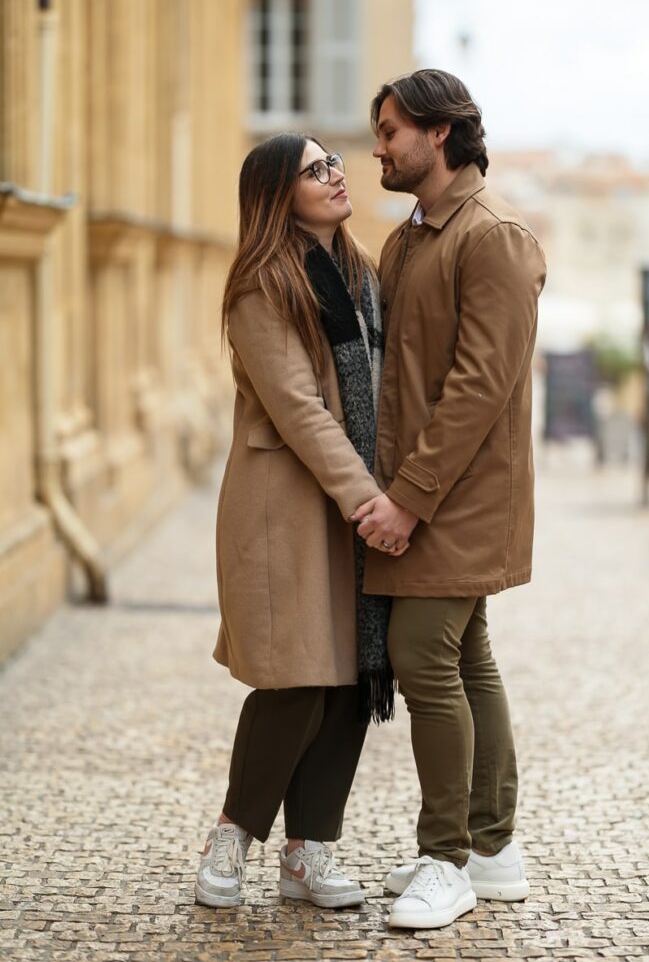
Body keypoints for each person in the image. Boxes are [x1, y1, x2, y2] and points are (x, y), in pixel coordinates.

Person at [349, 69, 547, 929]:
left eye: (391, 130)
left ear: (440, 134)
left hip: (460, 495)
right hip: (425, 489)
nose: (379, 147)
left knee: (424, 656)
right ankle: (493, 849)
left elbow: (479, 387)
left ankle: (448, 859)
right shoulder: (409, 240)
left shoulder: (493, 236)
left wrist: (409, 498)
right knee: (467, 660)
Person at [195, 133, 402, 912]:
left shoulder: (361, 273)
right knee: (294, 680)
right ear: (279, 195)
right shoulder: (261, 284)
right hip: (287, 504)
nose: (336, 174)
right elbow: (301, 410)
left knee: (351, 679)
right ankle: (231, 834)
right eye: (315, 170)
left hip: (352, 503)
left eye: (333, 163)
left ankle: (308, 852)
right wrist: (368, 499)